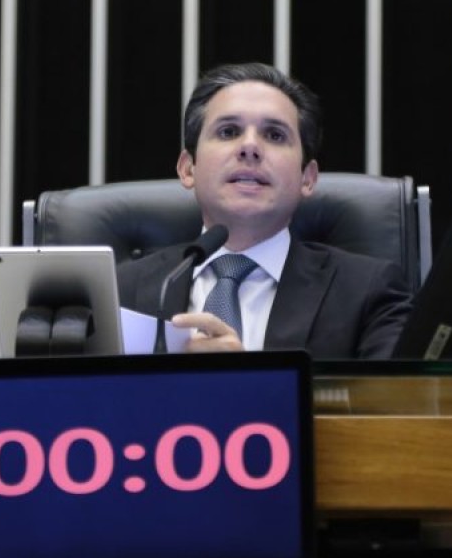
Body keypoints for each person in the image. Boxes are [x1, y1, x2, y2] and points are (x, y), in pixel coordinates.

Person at [116, 62, 412, 359]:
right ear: (188, 168)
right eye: (228, 131)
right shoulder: (119, 290)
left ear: (307, 178)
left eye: (274, 135)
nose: (249, 147)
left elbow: (391, 391)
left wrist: (244, 379)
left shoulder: (369, 292)